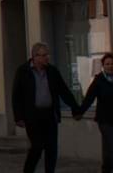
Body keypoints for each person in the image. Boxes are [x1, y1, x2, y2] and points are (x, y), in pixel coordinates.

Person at [12, 42, 82, 173]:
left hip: (49, 115)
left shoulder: (52, 71)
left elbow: (64, 91)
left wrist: (75, 108)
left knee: (51, 148)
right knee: (37, 146)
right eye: (43, 55)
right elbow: (16, 95)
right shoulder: (23, 71)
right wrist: (18, 117)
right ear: (35, 56)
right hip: (33, 116)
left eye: (47, 55)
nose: (47, 58)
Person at [78, 52, 113, 173]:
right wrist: (80, 111)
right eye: (107, 64)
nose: (110, 66)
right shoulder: (99, 80)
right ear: (103, 66)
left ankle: (106, 169)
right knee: (110, 144)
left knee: (108, 147)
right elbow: (89, 97)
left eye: (112, 64)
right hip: (104, 120)